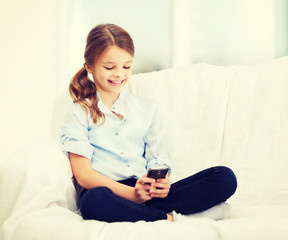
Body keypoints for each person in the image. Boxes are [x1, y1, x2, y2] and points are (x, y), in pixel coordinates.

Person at [61, 23, 237, 223]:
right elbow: (83, 175)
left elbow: (158, 156)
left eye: (126, 66)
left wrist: (160, 182)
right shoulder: (78, 112)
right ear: (89, 66)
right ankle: (168, 218)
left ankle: (145, 212)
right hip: (108, 192)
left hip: (146, 192)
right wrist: (131, 195)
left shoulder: (147, 108)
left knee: (224, 177)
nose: (119, 74)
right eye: (110, 67)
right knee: (93, 202)